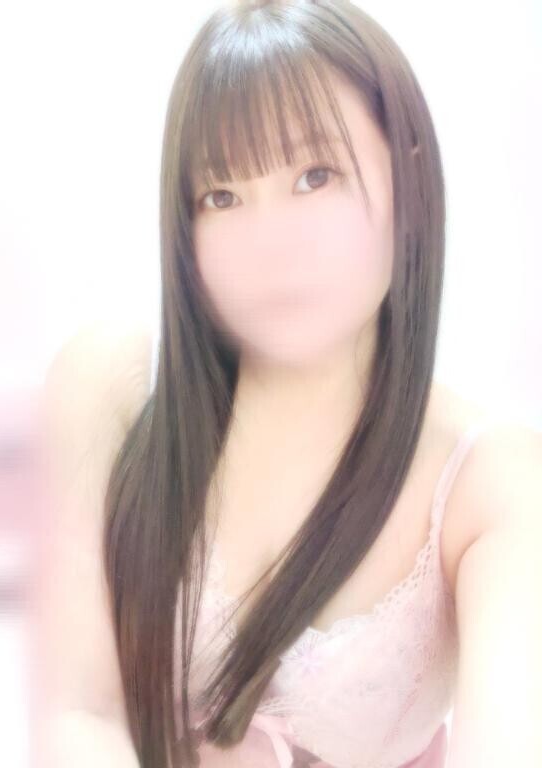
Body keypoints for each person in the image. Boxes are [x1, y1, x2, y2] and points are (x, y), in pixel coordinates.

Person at [40, 2, 542, 767]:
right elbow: (75, 713)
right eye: (222, 195)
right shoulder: (111, 387)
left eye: (315, 176)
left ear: (408, 179)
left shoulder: (492, 479)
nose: (268, 244)